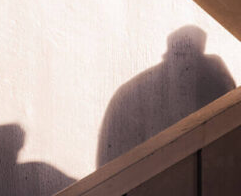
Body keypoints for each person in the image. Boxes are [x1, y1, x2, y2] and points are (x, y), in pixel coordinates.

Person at [97, 26, 235, 166]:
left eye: (192, 57)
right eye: (181, 55)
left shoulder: (213, 74)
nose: (186, 67)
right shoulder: (141, 92)